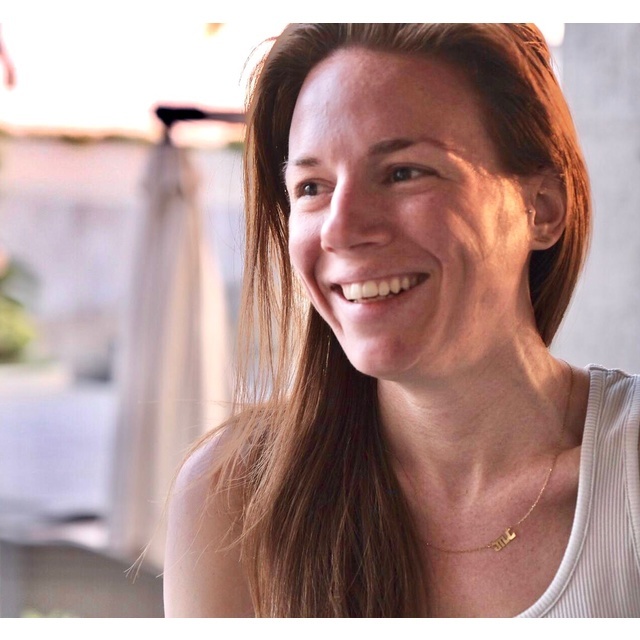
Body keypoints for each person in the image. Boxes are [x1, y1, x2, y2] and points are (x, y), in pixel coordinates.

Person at [163, 24, 640, 617]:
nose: (340, 229)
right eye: (311, 187)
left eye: (403, 173)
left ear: (541, 209)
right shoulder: (231, 497)